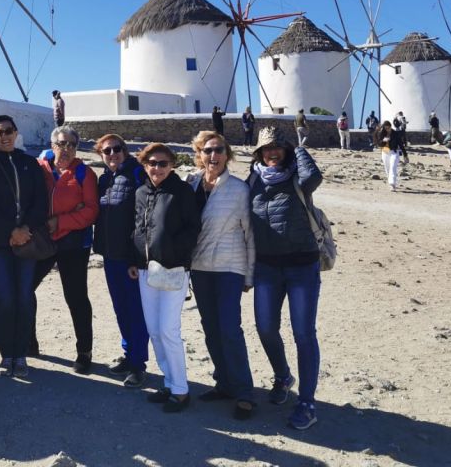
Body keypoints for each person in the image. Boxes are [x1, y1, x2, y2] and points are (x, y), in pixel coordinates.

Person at [247, 126, 323, 430]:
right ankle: (282, 376)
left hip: (302, 266)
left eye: (278, 147)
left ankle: (307, 402)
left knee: (303, 333)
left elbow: (314, 177)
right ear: (259, 153)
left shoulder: (298, 177)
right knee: (265, 328)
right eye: (266, 148)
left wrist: (298, 147)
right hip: (266, 267)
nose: (272, 152)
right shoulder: (253, 179)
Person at [130, 142, 202, 414]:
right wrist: (136, 261)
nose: (157, 168)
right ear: (144, 164)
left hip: (173, 269)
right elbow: (138, 228)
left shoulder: (181, 192)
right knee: (155, 331)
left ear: (172, 164)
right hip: (147, 270)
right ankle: (169, 383)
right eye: (152, 163)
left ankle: (181, 390)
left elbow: (193, 228)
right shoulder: (140, 193)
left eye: (162, 163)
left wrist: (173, 255)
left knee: (169, 330)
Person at [188, 130, 255, 420]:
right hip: (200, 267)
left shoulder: (239, 189)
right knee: (211, 329)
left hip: (230, 267)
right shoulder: (190, 184)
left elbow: (250, 233)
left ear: (227, 154)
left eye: (218, 150)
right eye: (207, 150)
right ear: (199, 154)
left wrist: (249, 274)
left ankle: (244, 392)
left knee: (229, 329)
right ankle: (224, 383)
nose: (212, 156)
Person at [0, 114, 48, 378]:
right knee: (6, 299)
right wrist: (11, 231)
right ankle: (6, 353)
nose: (4, 136)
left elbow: (40, 203)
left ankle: (21, 353)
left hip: (27, 240)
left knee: (24, 298)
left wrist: (25, 229)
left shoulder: (29, 163)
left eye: (8, 131)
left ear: (16, 132)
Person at [33, 125, 99, 374]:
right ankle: (30, 342)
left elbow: (91, 211)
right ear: (52, 145)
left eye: (72, 144)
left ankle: (84, 352)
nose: (67, 149)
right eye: (62, 144)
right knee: (26, 288)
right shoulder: (40, 167)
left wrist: (60, 221)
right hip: (43, 241)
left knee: (76, 297)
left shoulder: (84, 174)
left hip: (73, 243)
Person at [93, 133, 149, 389]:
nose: (113, 154)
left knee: (135, 311)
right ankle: (129, 355)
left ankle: (139, 364)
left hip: (130, 259)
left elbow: (144, 219)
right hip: (110, 255)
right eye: (107, 151)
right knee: (120, 309)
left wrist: (137, 257)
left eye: (117, 149)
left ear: (125, 151)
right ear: (101, 155)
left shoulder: (137, 175)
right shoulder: (104, 179)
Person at [375, 120, 404, 190]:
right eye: (386, 128)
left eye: (388, 128)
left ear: (391, 126)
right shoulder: (382, 133)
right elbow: (378, 143)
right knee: (387, 168)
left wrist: (405, 155)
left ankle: (392, 184)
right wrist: (383, 141)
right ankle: (390, 181)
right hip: (385, 152)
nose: (387, 129)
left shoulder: (395, 133)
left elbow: (401, 144)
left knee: (393, 166)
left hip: (394, 152)